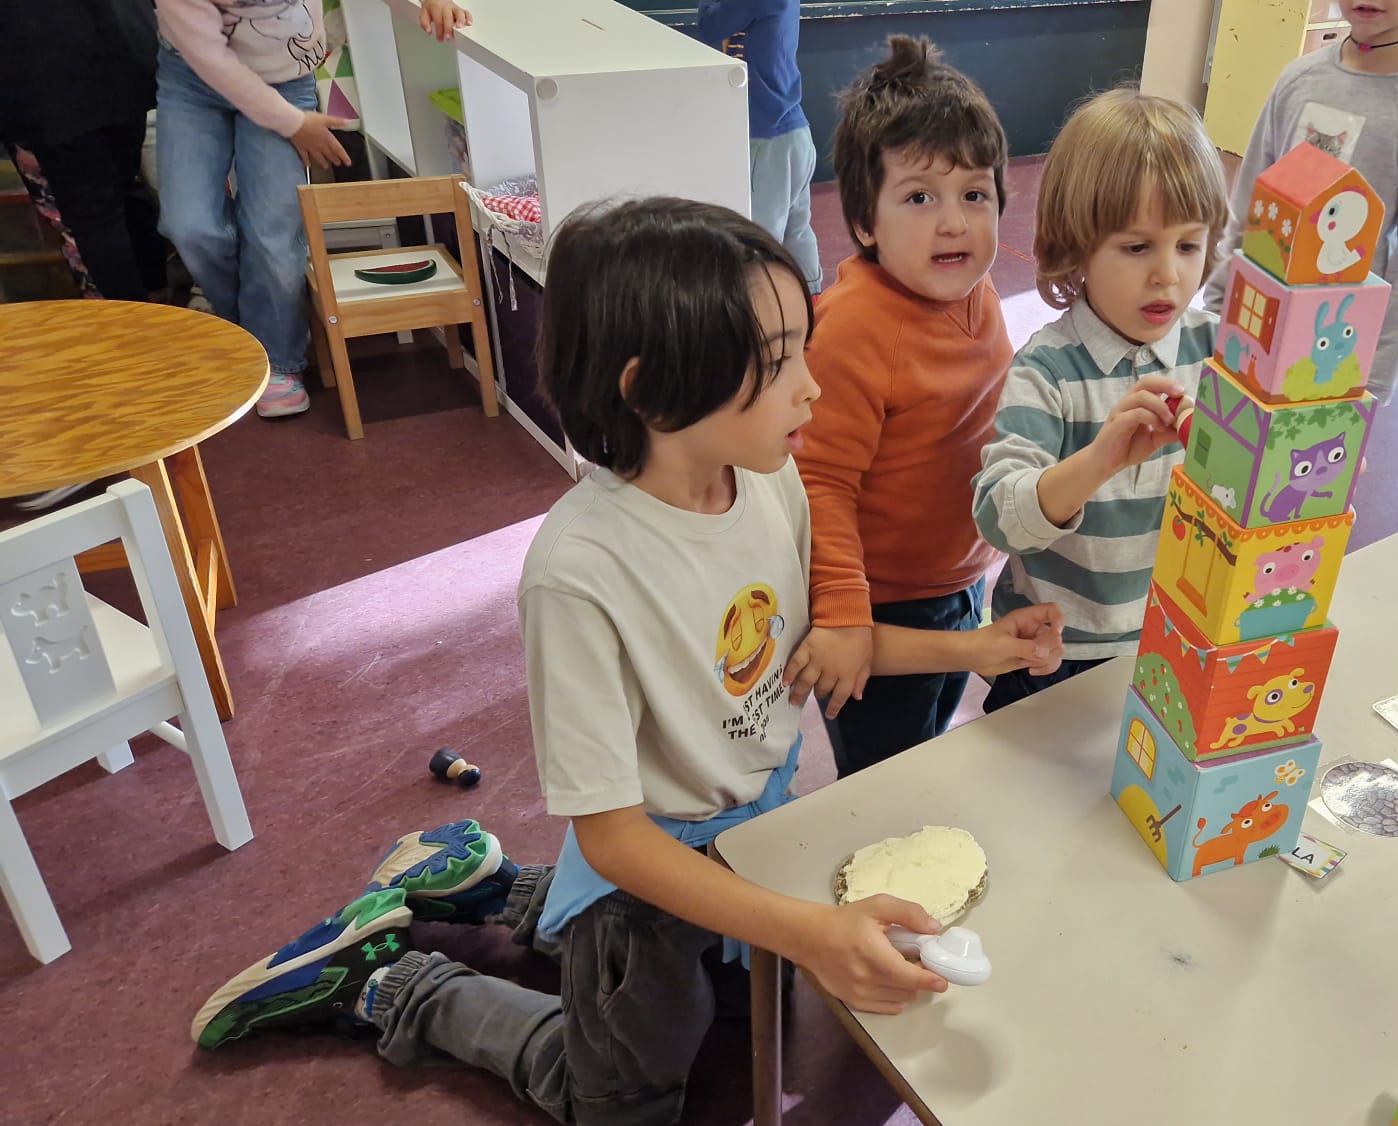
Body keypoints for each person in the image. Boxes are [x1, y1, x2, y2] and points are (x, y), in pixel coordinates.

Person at [189, 198, 1064, 1123]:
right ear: (651, 391)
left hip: (750, 833)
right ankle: (392, 986)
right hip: (646, 863)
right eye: (777, 363)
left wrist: (975, 648)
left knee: (745, 1006)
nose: (812, 388)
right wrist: (810, 931)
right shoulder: (579, 575)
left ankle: (483, 884)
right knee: (620, 1102)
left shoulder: (773, 480)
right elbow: (612, 840)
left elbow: (818, 651)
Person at [790, 35, 1012, 776]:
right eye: (920, 197)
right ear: (864, 222)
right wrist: (843, 616)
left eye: (974, 195)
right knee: (887, 780)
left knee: (931, 738)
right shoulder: (854, 328)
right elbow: (819, 482)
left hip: (960, 579)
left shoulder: (976, 289)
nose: (954, 223)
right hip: (880, 606)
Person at [971, 88, 1229, 711]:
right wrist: (1098, 461)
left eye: (1188, 245)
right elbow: (999, 516)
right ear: (1075, 245)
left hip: (1179, 637)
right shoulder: (1048, 371)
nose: (1168, 273)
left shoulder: (1221, 353)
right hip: (1055, 656)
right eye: (1137, 247)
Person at [153, 0, 469, 419]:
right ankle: (248, 332)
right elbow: (211, 60)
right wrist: (295, 124)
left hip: (285, 77)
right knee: (189, 225)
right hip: (194, 79)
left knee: (273, 229)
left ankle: (276, 357)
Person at [1200, 0, 1398, 403]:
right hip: (1254, 318)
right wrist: (1218, 304)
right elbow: (1251, 201)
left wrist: (1374, 376)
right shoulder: (1299, 77)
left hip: (1338, 338)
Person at [0, 0, 166, 304]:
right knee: (125, 187)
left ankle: (136, 320)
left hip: (41, 74)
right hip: (122, 46)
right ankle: (159, 297)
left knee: (95, 214)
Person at [699, 0, 822, 293]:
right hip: (793, 132)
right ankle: (812, 303)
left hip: (766, 140)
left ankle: (766, 308)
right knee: (796, 230)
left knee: (760, 239)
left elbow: (710, 26)